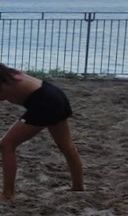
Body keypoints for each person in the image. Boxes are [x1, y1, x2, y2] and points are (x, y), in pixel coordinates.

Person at [0, 64, 84, 201]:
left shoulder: (3, 82)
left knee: (6, 144)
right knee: (66, 145)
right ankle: (78, 186)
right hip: (55, 94)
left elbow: (2, 96)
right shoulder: (9, 73)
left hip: (43, 102)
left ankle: (8, 194)